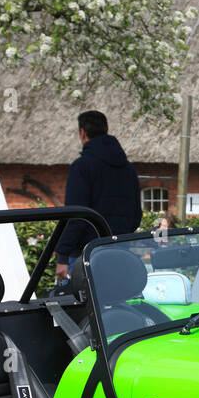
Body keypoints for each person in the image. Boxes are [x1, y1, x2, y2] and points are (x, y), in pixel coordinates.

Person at [54, 110, 141, 283]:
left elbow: (76, 215)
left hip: (86, 254)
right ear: (106, 130)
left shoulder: (82, 167)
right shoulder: (128, 169)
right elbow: (136, 214)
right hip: (120, 251)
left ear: (82, 133)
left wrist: (62, 255)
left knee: (79, 306)